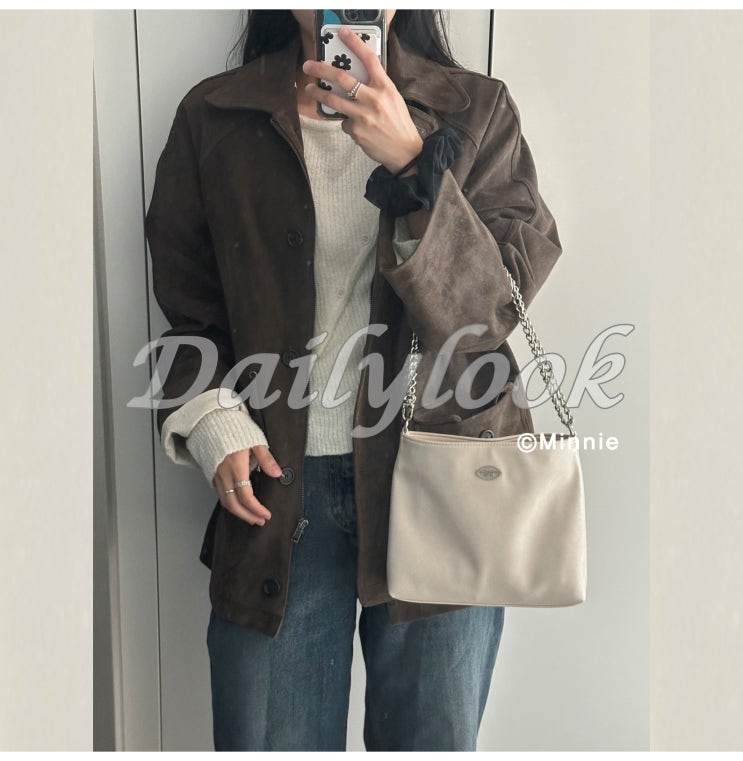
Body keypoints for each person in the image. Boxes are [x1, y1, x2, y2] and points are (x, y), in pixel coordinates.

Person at [144, 9, 563, 752]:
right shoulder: (214, 115)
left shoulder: (475, 110)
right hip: (277, 490)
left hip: (444, 481)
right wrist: (211, 418)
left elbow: (490, 312)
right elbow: (188, 311)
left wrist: (414, 165)